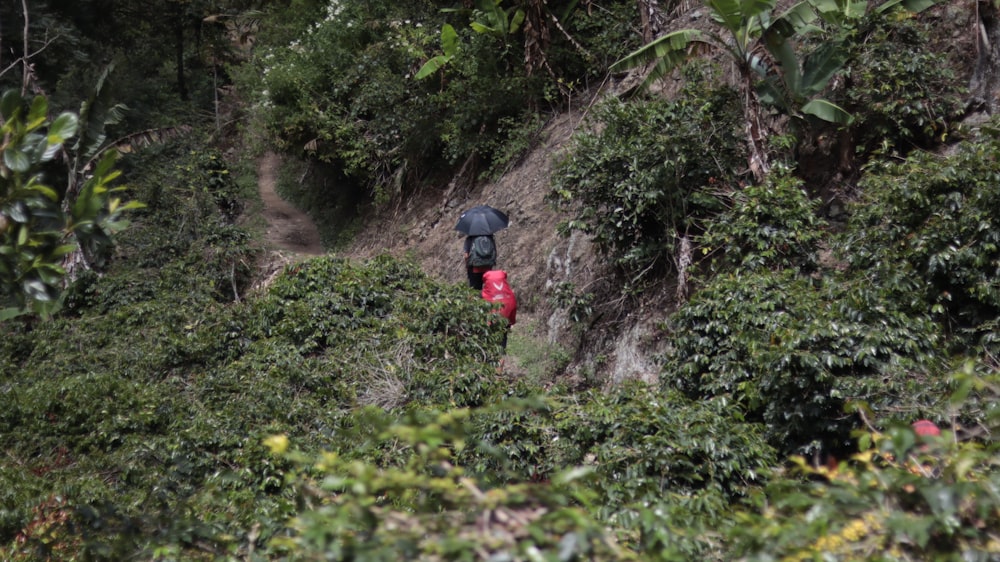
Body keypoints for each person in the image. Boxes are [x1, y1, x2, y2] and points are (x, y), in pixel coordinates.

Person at [481, 269, 517, 352]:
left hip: (490, 324)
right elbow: (513, 307)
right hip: (504, 322)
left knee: (488, 346)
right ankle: (500, 363)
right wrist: (512, 322)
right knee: (501, 347)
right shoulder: (510, 295)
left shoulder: (483, 295)